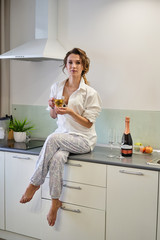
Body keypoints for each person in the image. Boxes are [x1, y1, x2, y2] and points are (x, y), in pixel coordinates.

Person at [20, 47, 102, 226]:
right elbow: (53, 116)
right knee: (56, 159)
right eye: (70, 62)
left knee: (52, 138)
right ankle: (55, 201)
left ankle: (34, 183)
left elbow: (88, 123)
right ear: (66, 65)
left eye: (77, 63)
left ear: (84, 66)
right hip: (63, 137)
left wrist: (71, 112)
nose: (73, 66)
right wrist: (52, 107)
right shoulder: (56, 87)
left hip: (83, 140)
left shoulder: (90, 93)